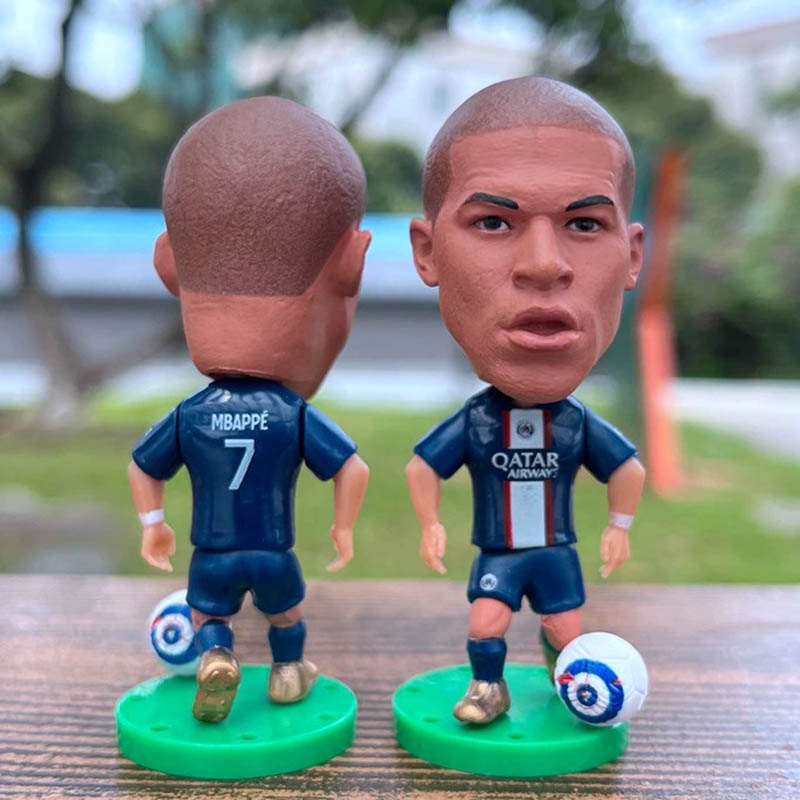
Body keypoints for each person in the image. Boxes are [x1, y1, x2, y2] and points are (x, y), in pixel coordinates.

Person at [405, 77, 647, 725]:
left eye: (584, 223)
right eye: (493, 221)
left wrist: (619, 527)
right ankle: (488, 689)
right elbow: (423, 465)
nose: (543, 264)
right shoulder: (479, 421)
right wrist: (430, 522)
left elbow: (626, 468)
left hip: (558, 549)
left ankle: (565, 679)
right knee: (486, 620)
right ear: (428, 252)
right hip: (500, 550)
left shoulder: (575, 425)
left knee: (567, 629)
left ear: (632, 255)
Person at [127, 97, 371, 724]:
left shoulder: (191, 413)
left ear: (167, 264)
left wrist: (153, 522)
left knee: (208, 614)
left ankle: (216, 655)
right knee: (286, 614)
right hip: (273, 551)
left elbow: (142, 465)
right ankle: (288, 673)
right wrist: (342, 528)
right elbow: (354, 468)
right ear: (354, 264)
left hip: (211, 552)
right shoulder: (289, 413)